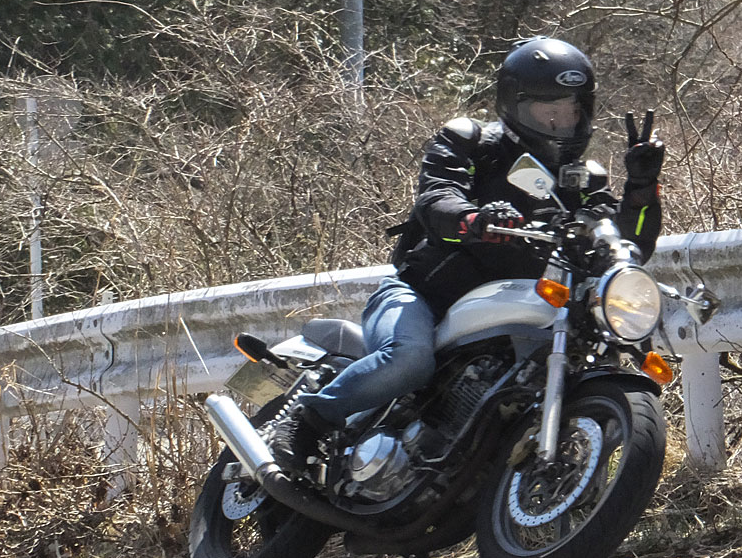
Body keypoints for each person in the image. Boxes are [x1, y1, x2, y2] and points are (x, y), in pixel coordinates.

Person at [271, 36, 665, 470]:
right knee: (409, 359)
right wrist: (474, 219)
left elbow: (628, 244)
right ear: (515, 105)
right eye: (546, 109)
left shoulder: (584, 180)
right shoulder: (473, 142)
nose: (560, 121)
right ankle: (307, 420)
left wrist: (641, 188)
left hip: (522, 306)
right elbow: (436, 197)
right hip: (427, 295)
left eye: (570, 109)